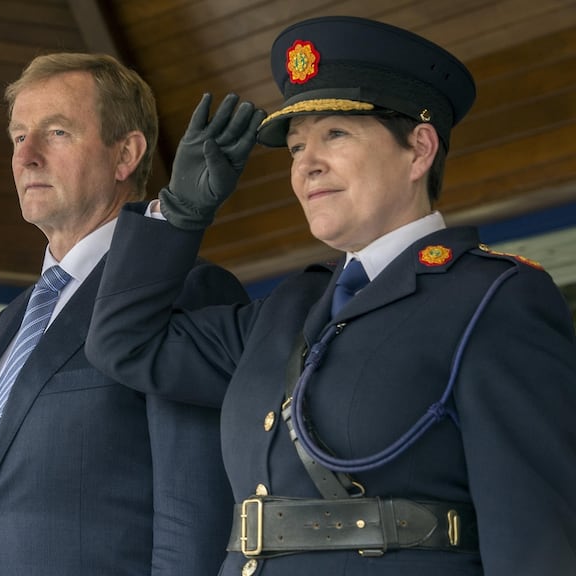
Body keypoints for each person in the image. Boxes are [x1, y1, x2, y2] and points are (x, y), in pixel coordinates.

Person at [86, 15, 576, 576]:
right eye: (296, 147)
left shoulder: (494, 298)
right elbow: (124, 343)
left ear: (419, 149)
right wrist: (180, 212)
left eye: (335, 135)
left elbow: (538, 540)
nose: (307, 165)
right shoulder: (288, 308)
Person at [0, 52, 248, 576]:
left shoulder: (186, 287)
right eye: (18, 137)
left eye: (57, 133)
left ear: (126, 155)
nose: (27, 157)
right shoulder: (13, 319)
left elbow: (195, 516)